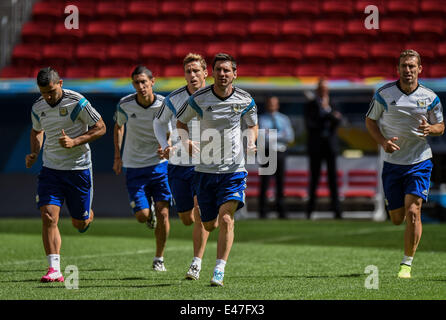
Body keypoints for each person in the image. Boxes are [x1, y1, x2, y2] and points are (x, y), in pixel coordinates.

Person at [176, 53, 258, 286]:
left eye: (227, 70)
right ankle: (201, 258)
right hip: (204, 171)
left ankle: (219, 269)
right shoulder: (199, 99)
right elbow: (180, 123)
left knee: (226, 219)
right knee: (209, 223)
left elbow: (252, 124)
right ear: (211, 73)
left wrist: (251, 141)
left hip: (233, 170)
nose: (222, 74)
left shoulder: (245, 99)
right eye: (218, 70)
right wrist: (186, 142)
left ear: (235, 74)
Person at [365, 49, 444, 279]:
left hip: (420, 161)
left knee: (413, 211)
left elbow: (441, 126)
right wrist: (382, 141)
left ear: (420, 69)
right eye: (404, 66)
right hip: (392, 164)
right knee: (397, 218)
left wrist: (431, 129)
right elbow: (370, 121)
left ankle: (406, 264)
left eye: (412, 66)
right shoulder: (384, 94)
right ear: (397, 69)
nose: (407, 70)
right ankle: (398, 222)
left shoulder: (430, 98)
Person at [25, 67, 106, 282]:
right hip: (51, 169)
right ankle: (54, 269)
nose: (48, 96)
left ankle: (86, 215)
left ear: (60, 83)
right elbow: (37, 130)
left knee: (80, 223)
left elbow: (101, 127)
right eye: (44, 93)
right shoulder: (38, 107)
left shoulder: (77, 102)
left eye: (51, 91)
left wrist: (75, 141)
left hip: (78, 169)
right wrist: (34, 152)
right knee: (48, 216)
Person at [153, 53, 210, 280]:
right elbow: (158, 122)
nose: (193, 75)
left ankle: (196, 263)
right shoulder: (175, 98)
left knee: (200, 209)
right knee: (186, 218)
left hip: (206, 165)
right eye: (188, 71)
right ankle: (203, 222)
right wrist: (163, 143)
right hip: (178, 165)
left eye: (197, 71)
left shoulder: (215, 97)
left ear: (206, 72)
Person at [113, 65, 172, 272]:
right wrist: (118, 156)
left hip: (159, 166)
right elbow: (118, 126)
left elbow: (172, 130)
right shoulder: (125, 104)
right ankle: (149, 216)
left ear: (152, 82)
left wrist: (166, 145)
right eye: (137, 83)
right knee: (141, 215)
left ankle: (159, 258)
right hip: (134, 165)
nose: (141, 86)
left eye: (144, 82)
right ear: (133, 85)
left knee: (164, 212)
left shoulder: (165, 104)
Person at [304, 78, 343, 219]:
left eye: (325, 89)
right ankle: (309, 212)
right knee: (314, 179)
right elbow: (310, 125)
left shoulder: (333, 104)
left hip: (330, 147)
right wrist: (328, 115)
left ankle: (337, 212)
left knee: (333, 180)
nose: (323, 92)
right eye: (321, 89)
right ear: (317, 90)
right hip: (316, 147)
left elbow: (338, 121)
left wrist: (326, 111)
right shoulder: (310, 105)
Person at [258, 96, 294, 219]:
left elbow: (290, 137)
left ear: (278, 105)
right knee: (265, 183)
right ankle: (263, 212)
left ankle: (281, 212)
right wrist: (280, 134)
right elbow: (263, 137)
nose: (272, 105)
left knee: (280, 183)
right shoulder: (262, 119)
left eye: (274, 103)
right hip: (267, 152)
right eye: (270, 103)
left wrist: (272, 134)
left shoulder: (284, 119)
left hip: (280, 152)